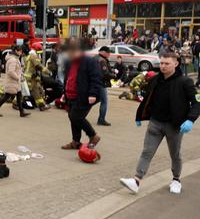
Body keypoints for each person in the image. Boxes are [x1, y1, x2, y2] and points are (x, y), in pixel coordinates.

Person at [120, 53, 200, 195]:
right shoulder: (155, 79)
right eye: (161, 63)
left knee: (175, 154)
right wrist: (140, 115)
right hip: (155, 123)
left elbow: (197, 102)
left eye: (166, 63)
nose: (162, 66)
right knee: (146, 152)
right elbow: (147, 99)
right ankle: (136, 180)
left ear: (175, 64)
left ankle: (176, 180)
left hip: (175, 126)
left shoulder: (185, 82)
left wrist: (190, 119)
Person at [60, 43, 102, 150]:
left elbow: (96, 79)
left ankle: (93, 135)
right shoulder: (69, 62)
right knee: (72, 117)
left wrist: (93, 93)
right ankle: (76, 141)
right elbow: (68, 79)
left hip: (83, 96)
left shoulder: (89, 62)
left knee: (76, 117)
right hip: (70, 95)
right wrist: (64, 93)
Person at [0, 46, 29, 118]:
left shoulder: (15, 58)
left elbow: (16, 70)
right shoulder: (13, 60)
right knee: (7, 96)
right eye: (20, 51)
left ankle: (21, 111)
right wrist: (18, 77)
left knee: (19, 95)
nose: (21, 53)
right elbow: (11, 72)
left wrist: (20, 74)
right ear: (16, 51)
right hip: (12, 82)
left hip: (14, 82)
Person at [95, 46, 114, 126]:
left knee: (97, 99)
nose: (109, 54)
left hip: (94, 82)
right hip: (101, 83)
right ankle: (101, 119)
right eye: (108, 53)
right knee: (104, 101)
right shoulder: (102, 60)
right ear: (103, 52)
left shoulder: (95, 58)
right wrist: (113, 75)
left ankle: (81, 113)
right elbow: (105, 73)